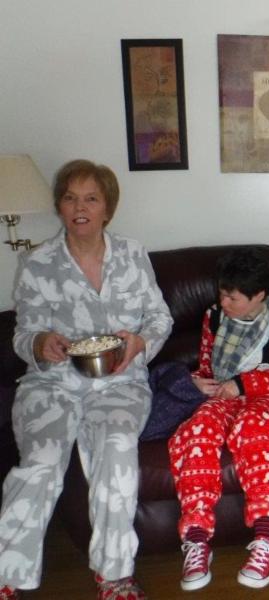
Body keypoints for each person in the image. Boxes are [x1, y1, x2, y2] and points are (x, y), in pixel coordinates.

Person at [0, 160, 173, 600]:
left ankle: (114, 576)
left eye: (91, 199)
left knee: (116, 451)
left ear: (107, 208)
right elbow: (23, 334)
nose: (80, 208)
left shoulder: (132, 254)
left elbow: (160, 317)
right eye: (70, 198)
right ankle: (6, 576)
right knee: (40, 462)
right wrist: (40, 343)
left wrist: (139, 342)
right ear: (59, 206)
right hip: (52, 384)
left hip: (119, 381)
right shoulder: (37, 263)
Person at [168, 247, 269, 592]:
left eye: (233, 297)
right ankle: (197, 540)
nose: (224, 302)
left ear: (258, 295)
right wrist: (197, 382)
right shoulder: (213, 316)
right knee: (197, 430)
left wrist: (244, 384)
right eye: (222, 293)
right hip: (222, 394)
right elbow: (206, 367)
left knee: (252, 428)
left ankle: (264, 539)